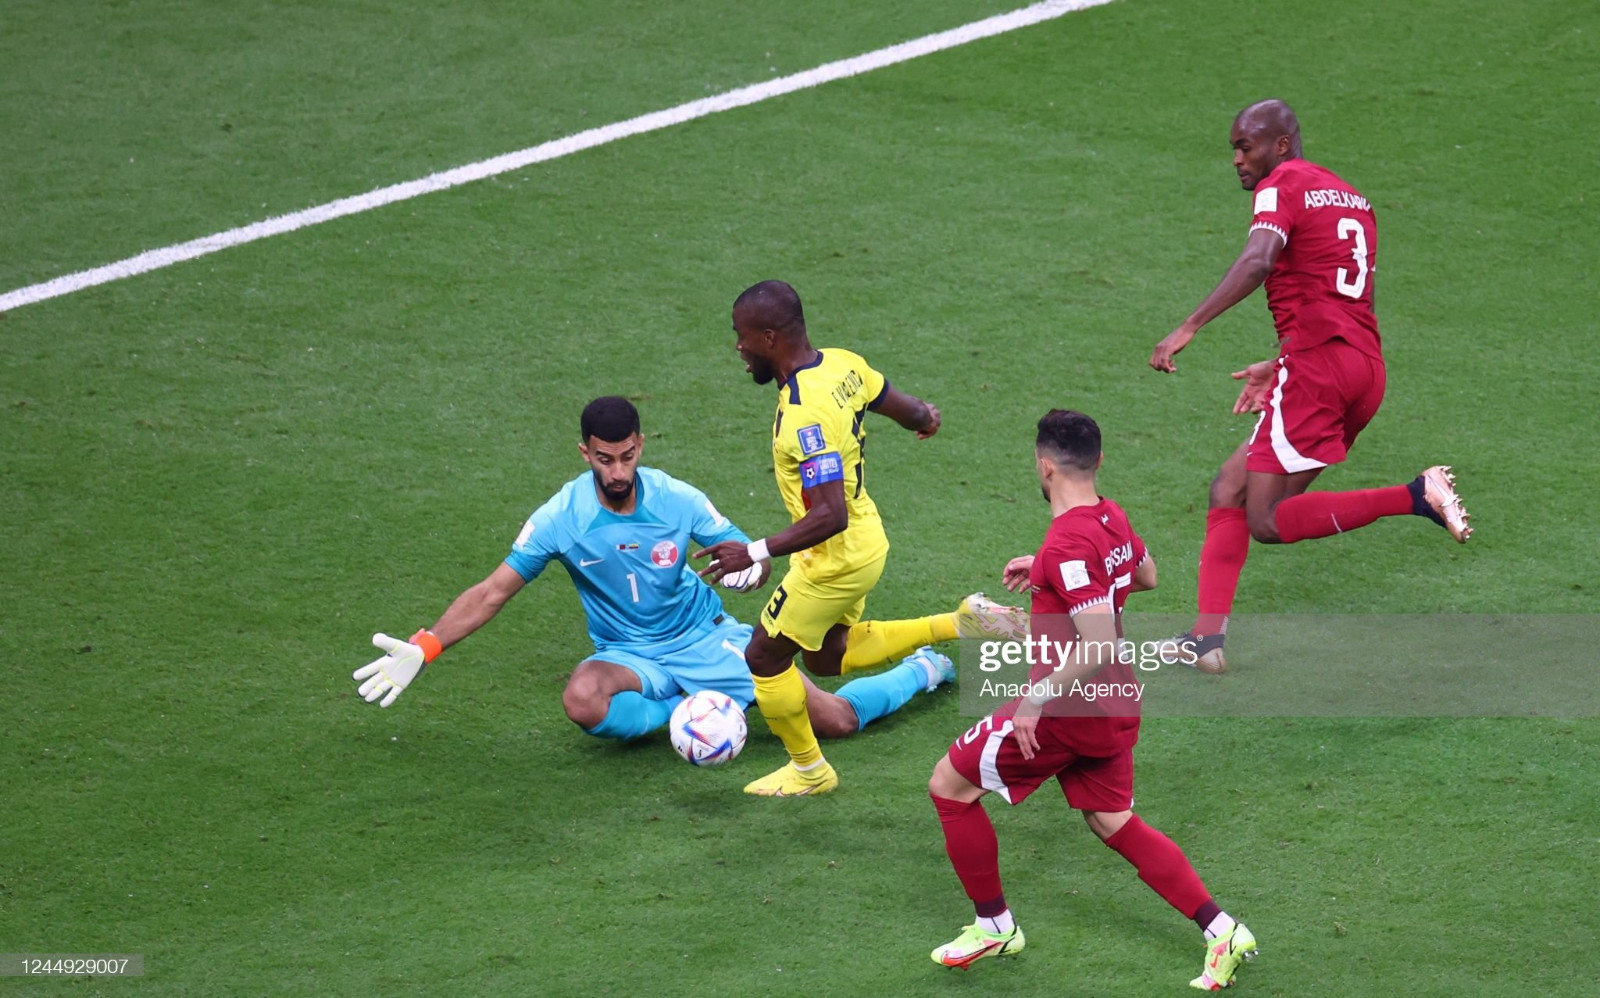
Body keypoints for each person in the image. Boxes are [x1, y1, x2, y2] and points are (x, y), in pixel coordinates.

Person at [352, 396, 959, 744]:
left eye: (628, 456)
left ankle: (924, 668)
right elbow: (492, 592)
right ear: (585, 452)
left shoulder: (677, 499)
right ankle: (694, 712)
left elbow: (740, 553)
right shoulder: (562, 517)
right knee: (583, 702)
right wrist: (427, 644)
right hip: (628, 653)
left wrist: (749, 571)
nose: (618, 472)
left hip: (704, 639)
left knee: (836, 721)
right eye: (604, 459)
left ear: (641, 444)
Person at [927, 410, 1257, 992]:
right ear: (1098, 461)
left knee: (949, 787)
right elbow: (1145, 574)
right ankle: (1222, 930)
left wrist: (1033, 701)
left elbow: (1098, 641)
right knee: (1111, 820)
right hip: (1116, 705)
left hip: (1067, 710)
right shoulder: (1110, 516)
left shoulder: (1068, 538)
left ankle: (994, 926)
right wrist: (1049, 572)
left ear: (1044, 466)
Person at [1148, 98, 1472, 673]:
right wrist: (1280, 364)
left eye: (1245, 147)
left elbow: (1259, 260)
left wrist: (1188, 326)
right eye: (1233, 149)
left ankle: (1415, 496)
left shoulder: (1281, 185)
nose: (1237, 160)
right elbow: (1336, 296)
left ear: (1280, 145)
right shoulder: (1353, 198)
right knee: (1229, 486)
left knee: (1267, 520)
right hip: (1361, 368)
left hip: (1319, 372)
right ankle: (1206, 640)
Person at [696, 280, 1026, 797]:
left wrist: (754, 550)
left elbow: (829, 515)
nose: (737, 347)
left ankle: (810, 771)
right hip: (866, 541)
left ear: (768, 337)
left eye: (741, 337)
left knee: (763, 656)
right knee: (826, 657)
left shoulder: (804, 415)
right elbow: (903, 406)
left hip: (835, 556)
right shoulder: (843, 363)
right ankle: (959, 622)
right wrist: (925, 417)